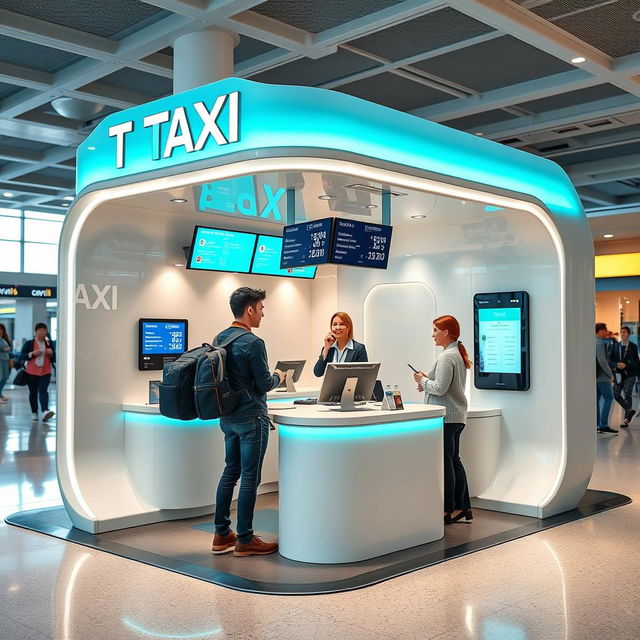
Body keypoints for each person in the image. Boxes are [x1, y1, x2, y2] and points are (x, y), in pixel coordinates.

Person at [211, 287, 285, 558]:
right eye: (261, 308)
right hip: (252, 417)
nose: (263, 313)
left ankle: (221, 535)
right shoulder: (253, 342)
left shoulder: (220, 337)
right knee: (250, 478)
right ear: (250, 310)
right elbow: (264, 384)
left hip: (227, 417)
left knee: (230, 472)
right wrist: (279, 375)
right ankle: (244, 539)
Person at [413, 315, 473, 524]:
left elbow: (440, 388)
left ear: (446, 332)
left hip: (447, 417)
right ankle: (463, 506)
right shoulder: (455, 353)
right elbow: (441, 384)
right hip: (457, 416)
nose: (433, 335)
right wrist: (426, 381)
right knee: (454, 461)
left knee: (447, 463)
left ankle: (447, 509)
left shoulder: (447, 356)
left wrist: (423, 381)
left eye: (435, 331)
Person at [19, 322, 55, 422]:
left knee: (43, 390)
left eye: (44, 331)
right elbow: (21, 356)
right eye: (40, 331)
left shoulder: (49, 343)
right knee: (33, 392)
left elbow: (54, 357)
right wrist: (32, 353)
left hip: (46, 371)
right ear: (35, 332)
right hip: (32, 371)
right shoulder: (29, 343)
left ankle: (45, 411)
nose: (42, 333)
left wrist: (51, 353)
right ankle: (34, 412)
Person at [313, 312, 368, 377]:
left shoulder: (359, 349)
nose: (337, 327)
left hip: (349, 387)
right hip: (330, 387)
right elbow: (318, 373)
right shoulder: (328, 349)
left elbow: (363, 376)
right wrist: (326, 348)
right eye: (334, 324)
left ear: (349, 327)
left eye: (342, 324)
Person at [610, 325, 639, 428]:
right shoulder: (615, 346)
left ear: (629, 334)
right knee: (616, 394)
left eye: (625, 332)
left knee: (627, 393)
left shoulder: (633, 347)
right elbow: (611, 360)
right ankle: (629, 410)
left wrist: (627, 364)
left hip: (630, 374)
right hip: (618, 374)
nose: (623, 334)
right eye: (621, 332)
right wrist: (616, 364)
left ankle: (626, 419)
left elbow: (636, 362)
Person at [595, 322, 617, 435]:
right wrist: (610, 374)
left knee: (596, 400)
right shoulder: (599, 343)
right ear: (600, 330)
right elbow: (602, 360)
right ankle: (603, 425)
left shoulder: (594, 342)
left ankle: (597, 425)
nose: (607, 331)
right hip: (602, 377)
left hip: (596, 377)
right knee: (609, 398)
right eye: (605, 329)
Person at [0, 323, 11, 403]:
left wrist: (5, 349)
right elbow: (5, 349)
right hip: (0, 360)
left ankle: (0, 394)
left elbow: (7, 348)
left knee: (5, 378)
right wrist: (5, 348)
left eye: (1, 329)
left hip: (5, 360)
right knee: (0, 378)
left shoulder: (3, 339)